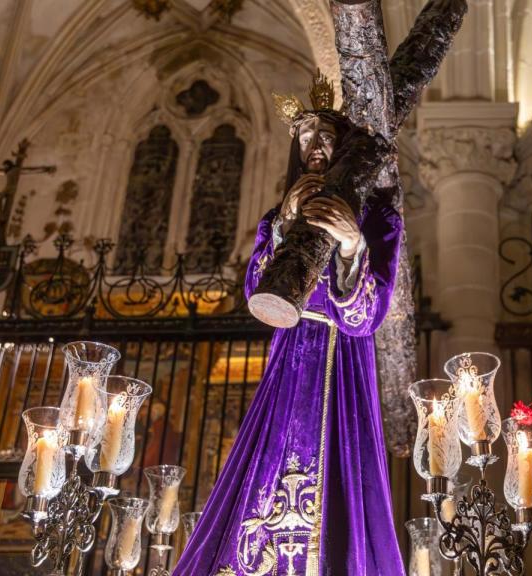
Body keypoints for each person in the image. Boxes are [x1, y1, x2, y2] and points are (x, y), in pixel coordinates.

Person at [173, 84, 405, 575]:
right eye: (304, 138)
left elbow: (367, 316)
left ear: (344, 144)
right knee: (269, 458)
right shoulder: (274, 218)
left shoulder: (377, 217)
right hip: (288, 356)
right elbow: (260, 294)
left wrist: (349, 244)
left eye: (325, 135)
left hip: (342, 361)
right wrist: (281, 223)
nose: (314, 146)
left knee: (343, 478)